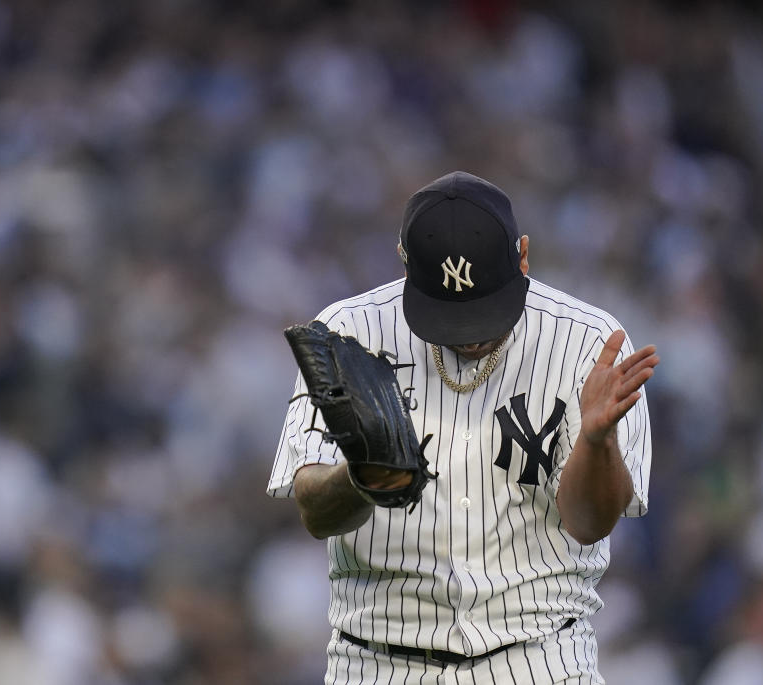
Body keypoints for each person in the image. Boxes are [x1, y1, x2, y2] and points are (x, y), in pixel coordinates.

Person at [268, 171, 659, 684]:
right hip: (379, 662)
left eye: (485, 310)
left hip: (540, 659)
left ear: (523, 256)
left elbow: (591, 523)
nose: (471, 337)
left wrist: (596, 440)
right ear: (405, 264)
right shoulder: (345, 334)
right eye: (449, 314)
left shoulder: (590, 344)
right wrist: (359, 479)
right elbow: (314, 512)